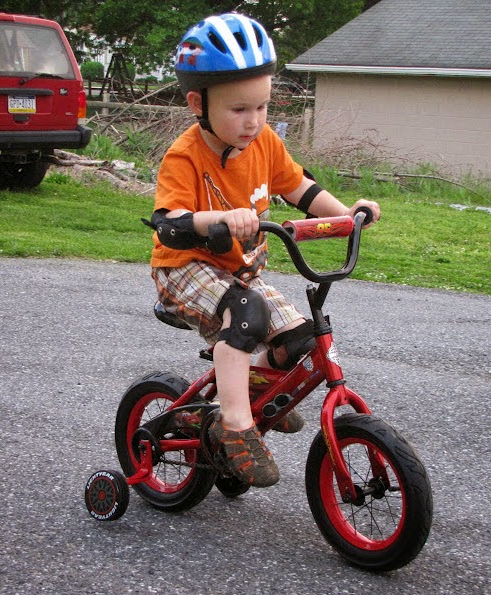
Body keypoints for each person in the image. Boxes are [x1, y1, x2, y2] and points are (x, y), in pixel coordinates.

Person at [147, 13, 380, 488]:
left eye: (262, 107)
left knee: (298, 338)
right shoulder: (184, 156)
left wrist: (347, 213)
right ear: (198, 102)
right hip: (183, 267)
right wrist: (219, 220)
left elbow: (299, 187)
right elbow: (168, 225)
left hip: (237, 271)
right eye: (239, 109)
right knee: (246, 310)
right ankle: (235, 424)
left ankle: (248, 394)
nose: (253, 121)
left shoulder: (265, 143)